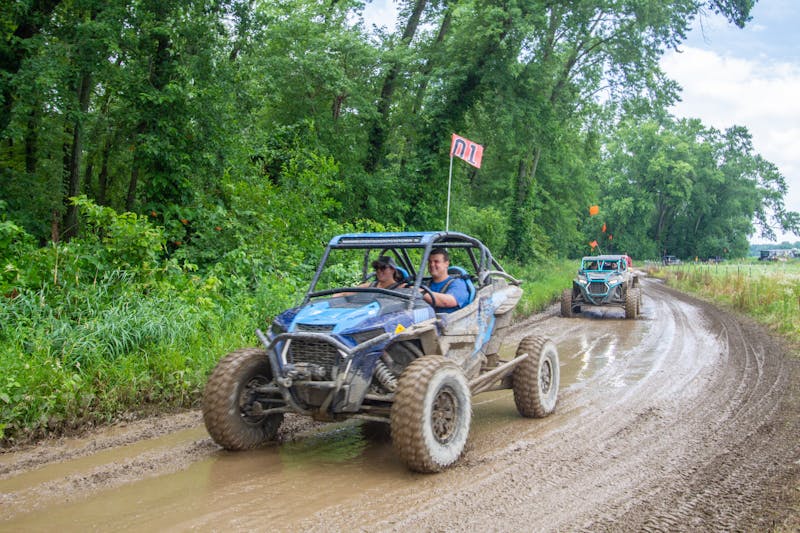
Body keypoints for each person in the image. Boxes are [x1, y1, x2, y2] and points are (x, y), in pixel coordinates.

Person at [421, 248, 469, 313]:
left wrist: (420, 293)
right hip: (425, 320)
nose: (432, 265)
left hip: (452, 321)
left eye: (436, 261)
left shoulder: (458, 283)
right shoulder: (425, 284)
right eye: (430, 262)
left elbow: (448, 302)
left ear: (446, 264)